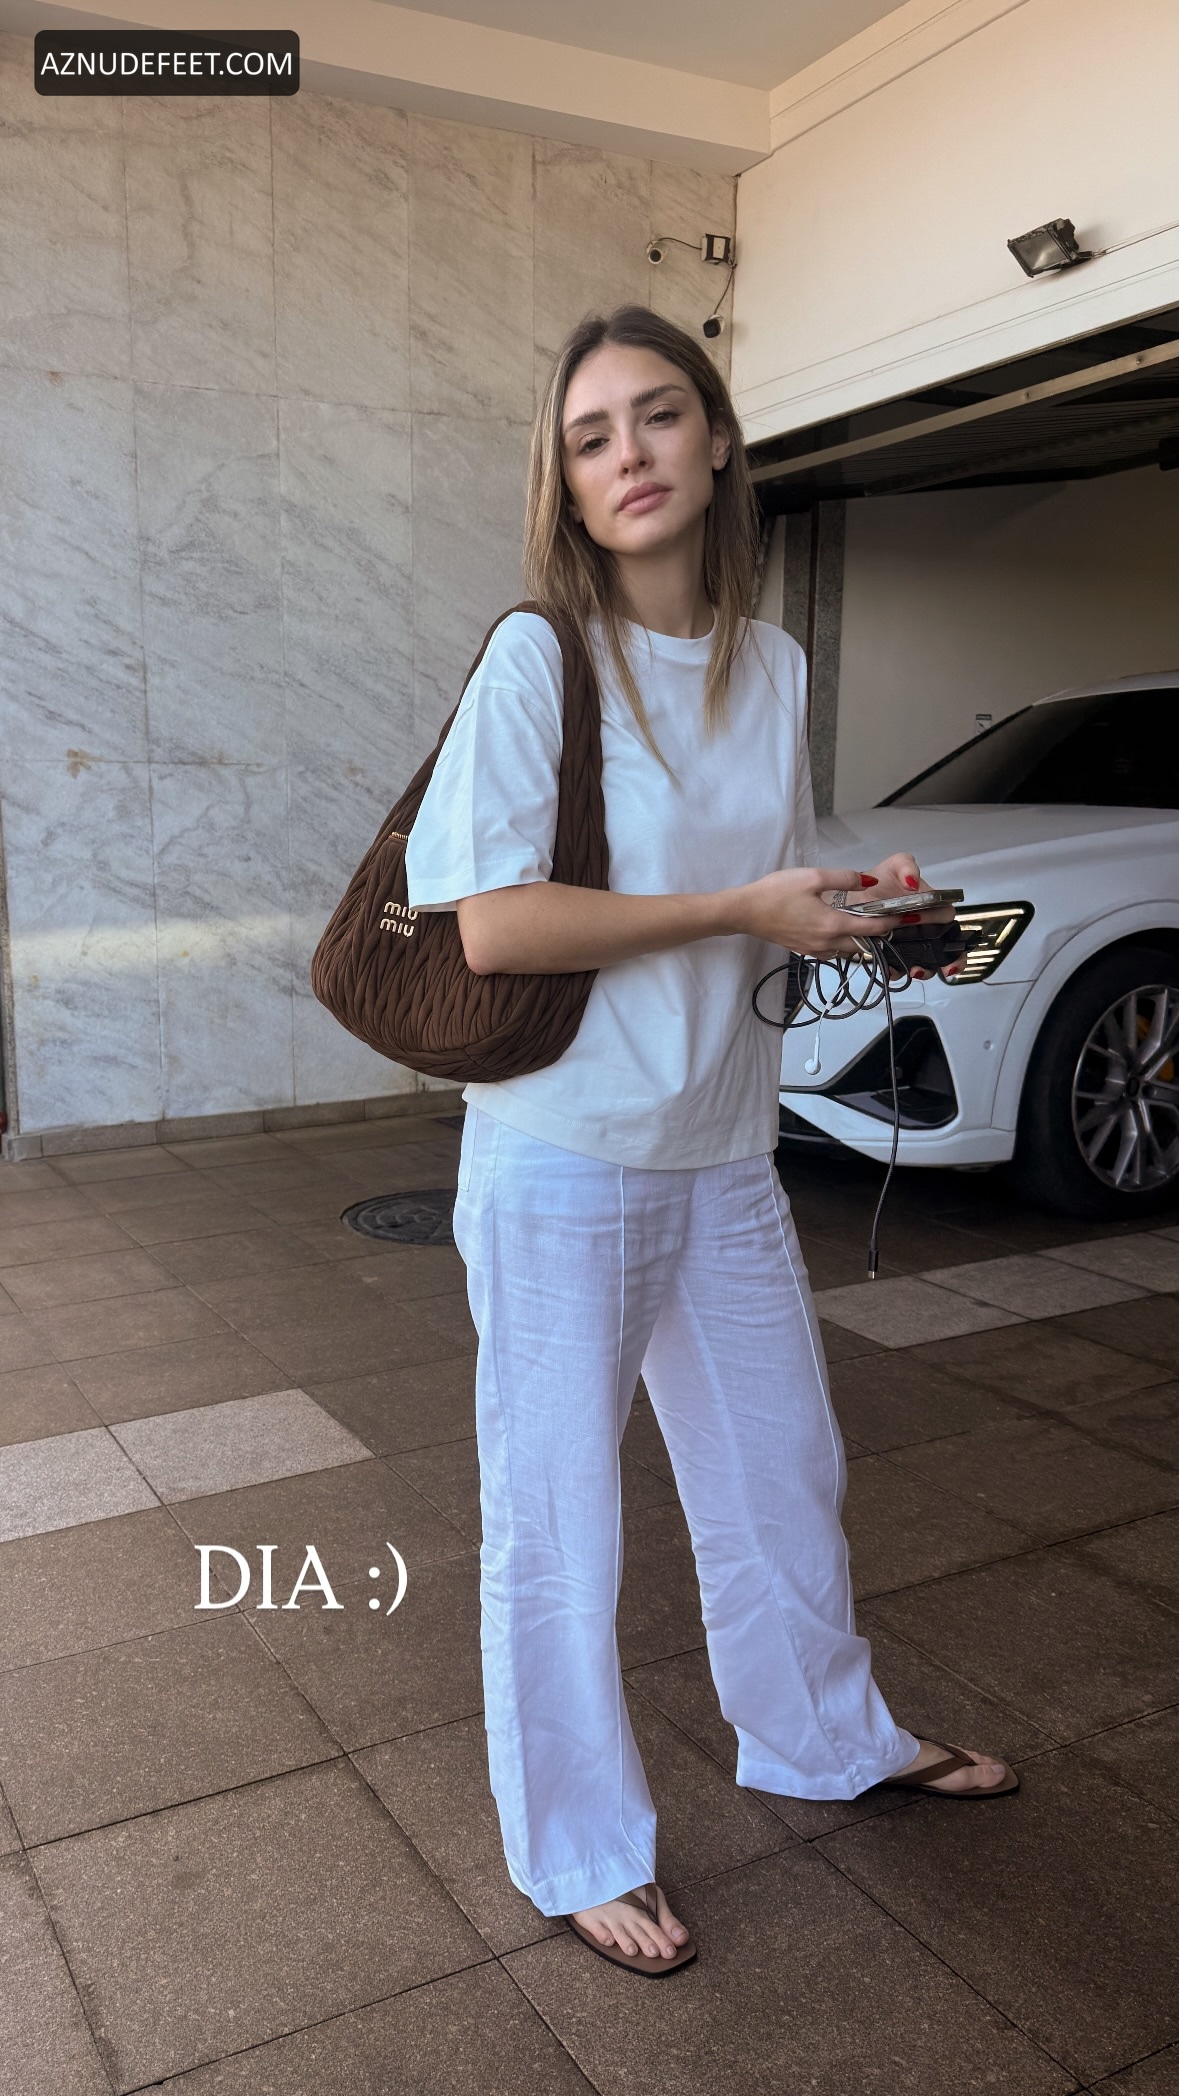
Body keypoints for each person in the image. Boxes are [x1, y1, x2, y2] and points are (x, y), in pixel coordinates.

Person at [404, 305, 1017, 1979]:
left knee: (780, 1472)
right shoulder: (542, 658)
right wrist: (738, 907)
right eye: (591, 435)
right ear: (564, 479)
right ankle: (577, 1844)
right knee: (560, 1519)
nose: (631, 456)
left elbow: (772, 889)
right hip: (564, 1150)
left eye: (659, 415)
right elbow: (495, 927)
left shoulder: (776, 665)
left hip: (723, 1144)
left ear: (721, 437)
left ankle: (820, 1736)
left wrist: (861, 906)